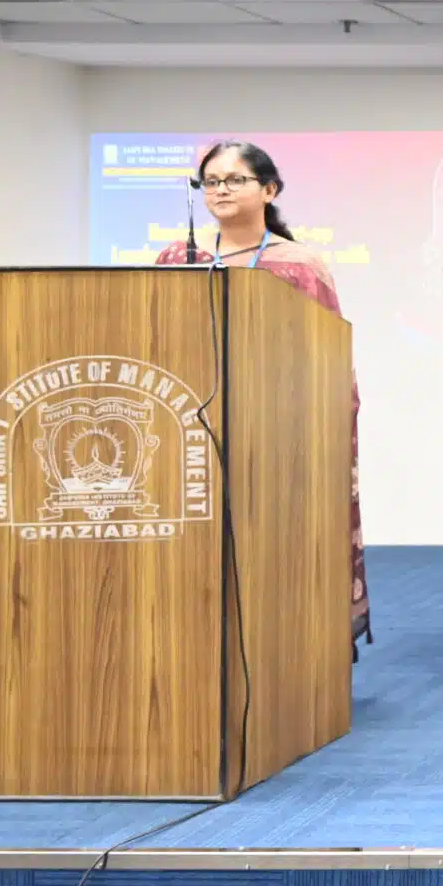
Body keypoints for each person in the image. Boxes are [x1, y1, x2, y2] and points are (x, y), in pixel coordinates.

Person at [157, 141, 372, 654]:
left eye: (235, 180)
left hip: (276, 428)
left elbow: (328, 357)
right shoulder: (178, 258)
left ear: (269, 190)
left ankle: (293, 648)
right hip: (193, 423)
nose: (220, 191)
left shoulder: (299, 265)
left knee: (274, 543)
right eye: (211, 182)